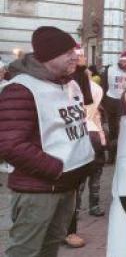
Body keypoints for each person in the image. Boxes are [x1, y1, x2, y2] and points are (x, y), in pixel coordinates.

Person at [0, 26, 94, 257]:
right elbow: (9, 144)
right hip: (39, 189)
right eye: (67, 52)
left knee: (49, 249)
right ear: (49, 56)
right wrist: (56, 169)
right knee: (24, 252)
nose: (76, 55)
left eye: (75, 49)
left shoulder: (71, 84)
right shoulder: (20, 89)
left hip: (66, 185)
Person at [64, 48, 107, 248]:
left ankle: (74, 222)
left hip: (85, 134)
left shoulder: (89, 88)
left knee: (83, 177)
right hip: (70, 139)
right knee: (76, 182)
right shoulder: (60, 85)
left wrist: (100, 133)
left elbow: (93, 112)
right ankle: (72, 219)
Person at [101, 50, 126, 163]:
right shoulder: (110, 70)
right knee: (113, 131)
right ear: (120, 61)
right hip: (113, 102)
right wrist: (104, 103)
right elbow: (103, 86)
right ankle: (112, 157)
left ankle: (125, 155)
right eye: (124, 61)